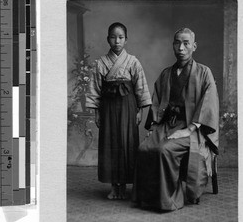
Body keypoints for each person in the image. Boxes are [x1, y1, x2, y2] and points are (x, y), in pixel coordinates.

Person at [132, 27, 219, 211]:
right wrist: (153, 126)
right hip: (166, 124)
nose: (181, 47)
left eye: (186, 43)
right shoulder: (166, 74)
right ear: (173, 45)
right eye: (177, 42)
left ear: (194, 46)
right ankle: (147, 199)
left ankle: (169, 199)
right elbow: (156, 102)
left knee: (164, 150)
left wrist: (187, 130)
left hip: (191, 128)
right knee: (144, 149)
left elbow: (208, 104)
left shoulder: (204, 72)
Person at [86, 22, 152, 200]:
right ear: (108, 39)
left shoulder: (133, 61)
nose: (117, 41)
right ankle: (114, 187)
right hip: (107, 108)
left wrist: (140, 111)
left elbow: (141, 89)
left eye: (121, 37)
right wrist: (96, 113)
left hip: (128, 108)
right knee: (110, 144)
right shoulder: (100, 63)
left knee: (126, 143)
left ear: (126, 40)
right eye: (113, 37)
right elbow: (95, 90)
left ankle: (123, 185)